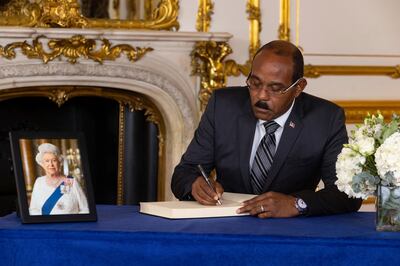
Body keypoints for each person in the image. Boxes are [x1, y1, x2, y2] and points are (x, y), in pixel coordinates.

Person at [171, 40, 362, 218]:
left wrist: (296, 204)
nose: (261, 95)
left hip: (291, 231)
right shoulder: (223, 106)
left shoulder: (325, 119)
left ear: (298, 88)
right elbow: (184, 173)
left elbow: (348, 194)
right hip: (229, 224)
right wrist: (195, 185)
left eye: (276, 88)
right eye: (255, 83)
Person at [29, 143, 89, 215]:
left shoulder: (72, 181)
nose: (51, 164)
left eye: (54, 160)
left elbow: (85, 209)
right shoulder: (39, 182)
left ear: (59, 162)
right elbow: (33, 210)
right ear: (42, 164)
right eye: (47, 161)